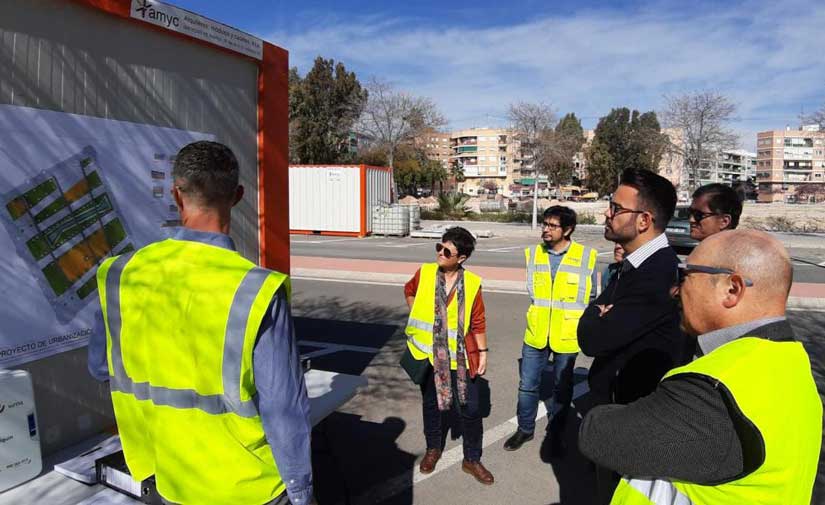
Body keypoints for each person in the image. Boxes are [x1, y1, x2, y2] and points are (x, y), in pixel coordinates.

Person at [88, 141, 313, 505]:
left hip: (165, 474)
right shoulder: (255, 289)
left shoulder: (120, 273)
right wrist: (301, 493)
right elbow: (283, 409)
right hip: (248, 486)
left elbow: (101, 367)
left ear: (177, 195)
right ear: (237, 196)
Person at [579, 229, 822, 504]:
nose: (674, 290)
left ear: (732, 289)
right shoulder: (789, 361)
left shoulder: (715, 389)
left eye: (685, 276)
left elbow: (599, 435)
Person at [577, 169, 689, 503]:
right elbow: (596, 322)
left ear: (643, 221)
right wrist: (600, 310)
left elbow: (592, 339)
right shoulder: (636, 264)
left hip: (633, 421)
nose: (607, 215)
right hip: (620, 410)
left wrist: (599, 311)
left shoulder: (656, 272)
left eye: (615, 208)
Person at [502, 206, 597, 455]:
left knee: (562, 389)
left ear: (567, 230)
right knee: (527, 385)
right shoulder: (534, 254)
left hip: (566, 334)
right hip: (536, 332)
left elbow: (591, 297)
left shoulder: (586, 256)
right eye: (545, 224)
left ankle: (556, 434)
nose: (546, 229)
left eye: (552, 226)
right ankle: (524, 429)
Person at [404, 227, 494, 485]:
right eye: (439, 247)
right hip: (428, 354)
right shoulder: (425, 272)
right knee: (431, 404)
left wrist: (483, 352)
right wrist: (417, 313)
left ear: (461, 258)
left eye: (447, 251)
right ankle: (433, 448)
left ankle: (472, 459)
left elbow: (477, 321)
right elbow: (408, 291)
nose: (440, 254)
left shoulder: (473, 283)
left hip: (461, 356)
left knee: (471, 408)